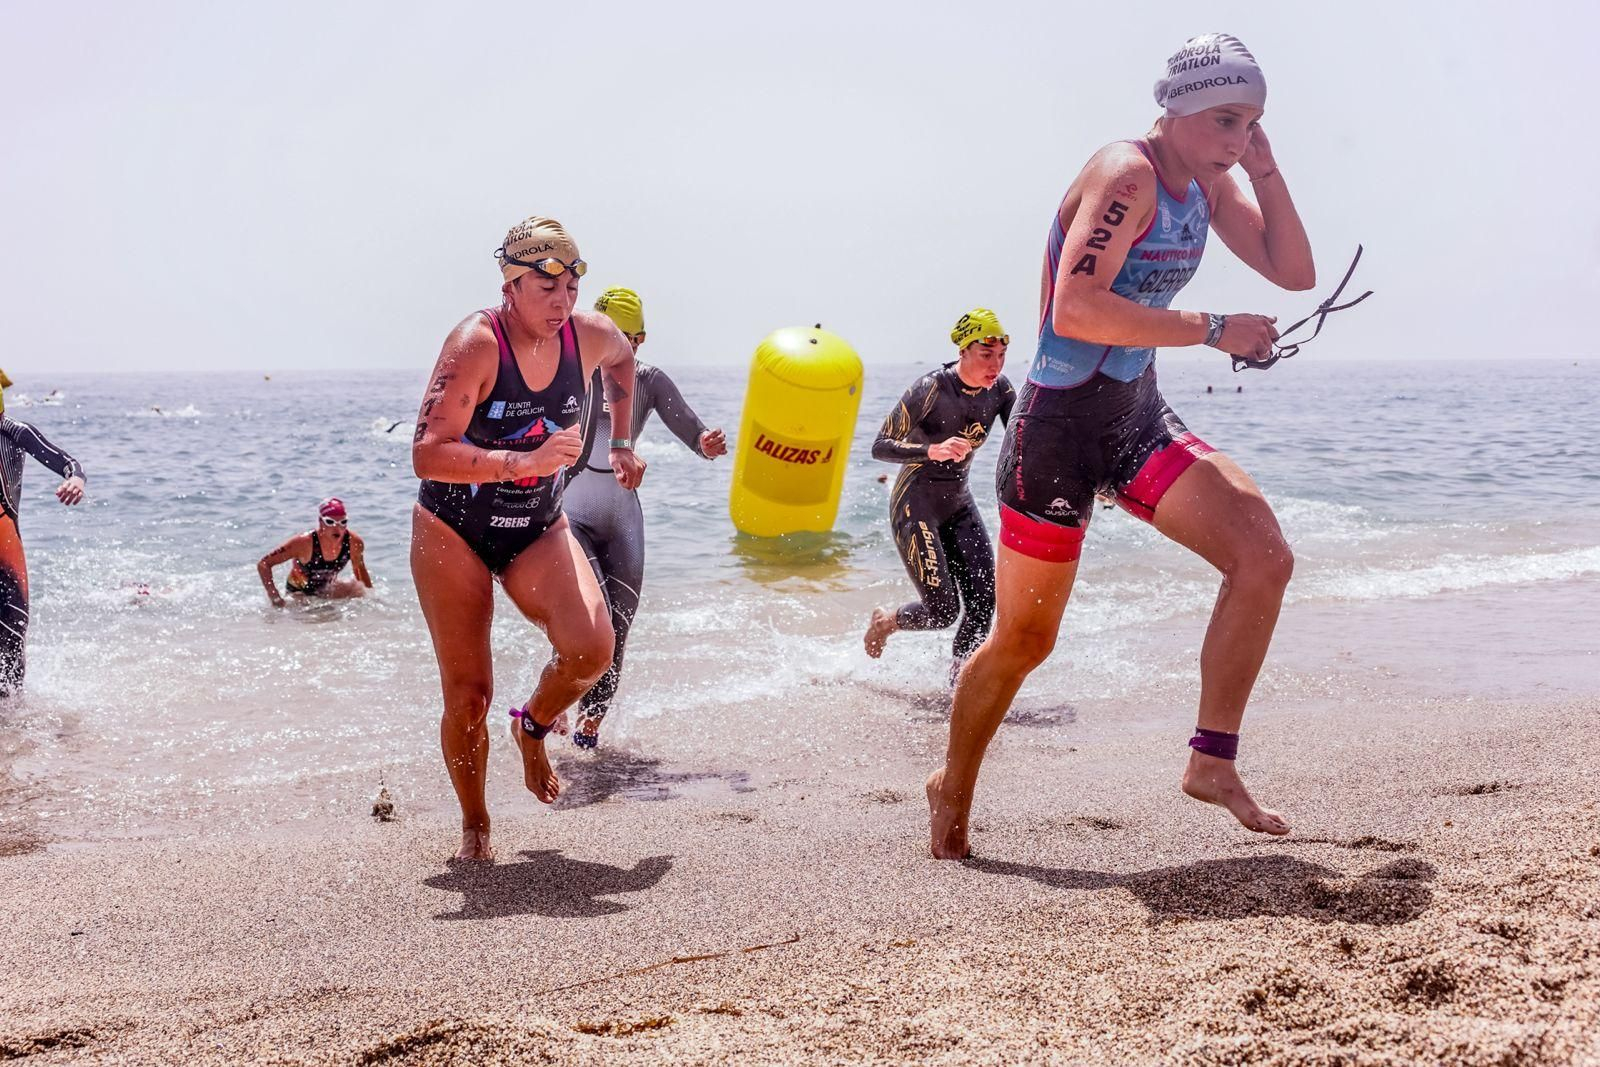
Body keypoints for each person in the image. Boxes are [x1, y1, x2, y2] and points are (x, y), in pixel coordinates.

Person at [927, 34, 1316, 859]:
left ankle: (1212, 762)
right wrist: (1213, 329)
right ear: (1174, 107)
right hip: (1058, 432)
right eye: (1226, 119)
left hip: (1136, 415)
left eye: (1250, 123)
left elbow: (1294, 271)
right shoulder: (1127, 175)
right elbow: (1073, 307)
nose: (1237, 137)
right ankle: (952, 780)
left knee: (1263, 556)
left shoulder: (1211, 181)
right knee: (1025, 641)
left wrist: (1263, 167)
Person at [410, 216, 645, 862]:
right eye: (547, 288)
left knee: (591, 648)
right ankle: (476, 824)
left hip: (537, 526)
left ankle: (534, 728)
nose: (562, 302)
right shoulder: (476, 344)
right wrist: (522, 462)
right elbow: (427, 453)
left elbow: (625, 361)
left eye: (571, 287)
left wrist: (622, 442)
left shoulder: (590, 337)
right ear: (511, 284)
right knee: (467, 694)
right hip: (453, 529)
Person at [563, 287, 727, 749]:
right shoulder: (569, 376)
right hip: (571, 515)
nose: (619, 346)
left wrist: (705, 443)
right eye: (608, 335)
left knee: (617, 627)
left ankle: (588, 726)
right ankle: (551, 703)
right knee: (587, 621)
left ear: (641, 339)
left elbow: (691, 430)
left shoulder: (650, 381)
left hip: (621, 517)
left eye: (628, 338)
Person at [864, 309, 1014, 682]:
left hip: (959, 504)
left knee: (983, 605)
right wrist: (930, 450)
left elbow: (1022, 441)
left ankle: (960, 684)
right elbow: (879, 446)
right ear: (964, 351)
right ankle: (887, 621)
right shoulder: (930, 389)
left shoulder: (1001, 390)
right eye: (985, 354)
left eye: (1000, 355)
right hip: (915, 506)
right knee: (942, 611)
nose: (994, 364)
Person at [0, 415, 86, 695]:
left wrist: (75, 479)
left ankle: (16, 726)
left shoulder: (14, 431)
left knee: (11, 639)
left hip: (6, 555)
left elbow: (66, 462)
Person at [255, 498, 373, 606]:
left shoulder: (354, 542)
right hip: (300, 593)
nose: (338, 528)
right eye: (330, 522)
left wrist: (371, 599)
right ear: (320, 522)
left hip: (326, 589)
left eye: (343, 522)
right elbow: (264, 563)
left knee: (357, 590)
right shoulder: (304, 543)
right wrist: (274, 597)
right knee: (319, 617)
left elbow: (359, 570)